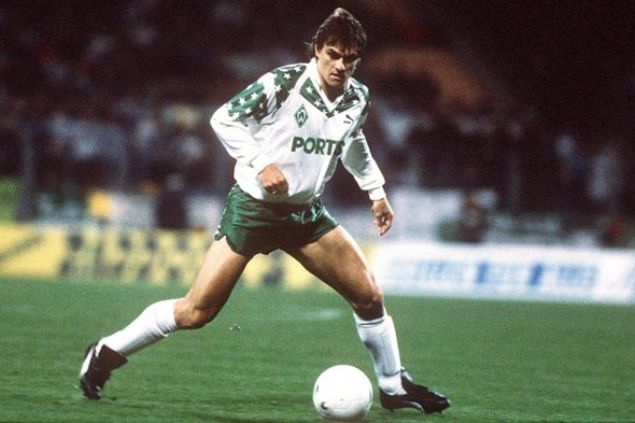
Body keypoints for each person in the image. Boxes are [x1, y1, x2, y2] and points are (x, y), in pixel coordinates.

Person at [79, 8, 450, 415]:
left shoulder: (357, 97)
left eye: (350, 59)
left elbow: (353, 141)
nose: (341, 66)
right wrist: (261, 164)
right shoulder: (283, 83)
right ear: (317, 50)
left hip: (306, 215)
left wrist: (376, 192)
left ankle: (394, 386)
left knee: (369, 295)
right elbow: (224, 119)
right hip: (254, 211)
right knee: (196, 311)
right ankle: (106, 352)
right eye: (333, 55)